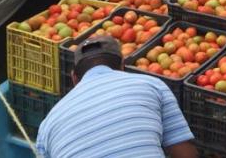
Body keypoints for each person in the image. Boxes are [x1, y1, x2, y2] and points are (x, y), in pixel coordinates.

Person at [35, 35, 198, 158]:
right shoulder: (152, 85)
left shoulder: (47, 125)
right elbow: (184, 153)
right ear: (122, 66)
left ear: (74, 77)